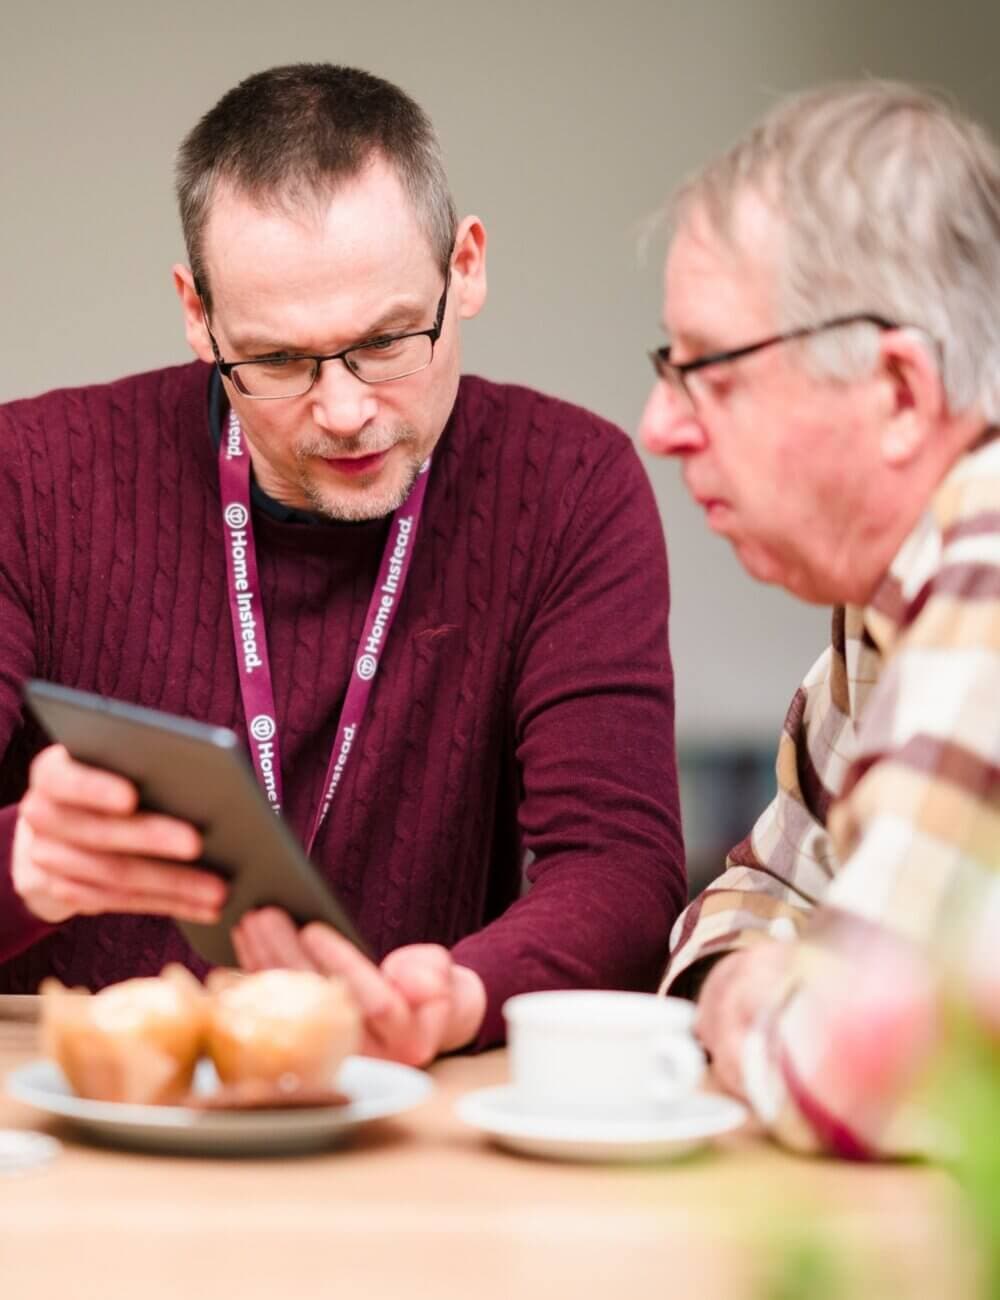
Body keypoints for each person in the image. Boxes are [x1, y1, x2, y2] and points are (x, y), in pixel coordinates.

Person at [0, 63, 685, 1065]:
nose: (345, 409)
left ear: (468, 266)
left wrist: (461, 992)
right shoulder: (28, 475)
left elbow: (620, 869)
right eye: (278, 361)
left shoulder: (568, 485)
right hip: (84, 1106)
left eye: (387, 341)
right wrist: (25, 862)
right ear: (198, 315)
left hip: (406, 1110)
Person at [640, 81, 1000, 1157]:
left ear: (897, 392)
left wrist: (759, 993)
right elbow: (751, 891)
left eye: (708, 371)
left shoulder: (984, 570)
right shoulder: (880, 600)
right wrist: (758, 975)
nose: (658, 425)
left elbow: (839, 1074)